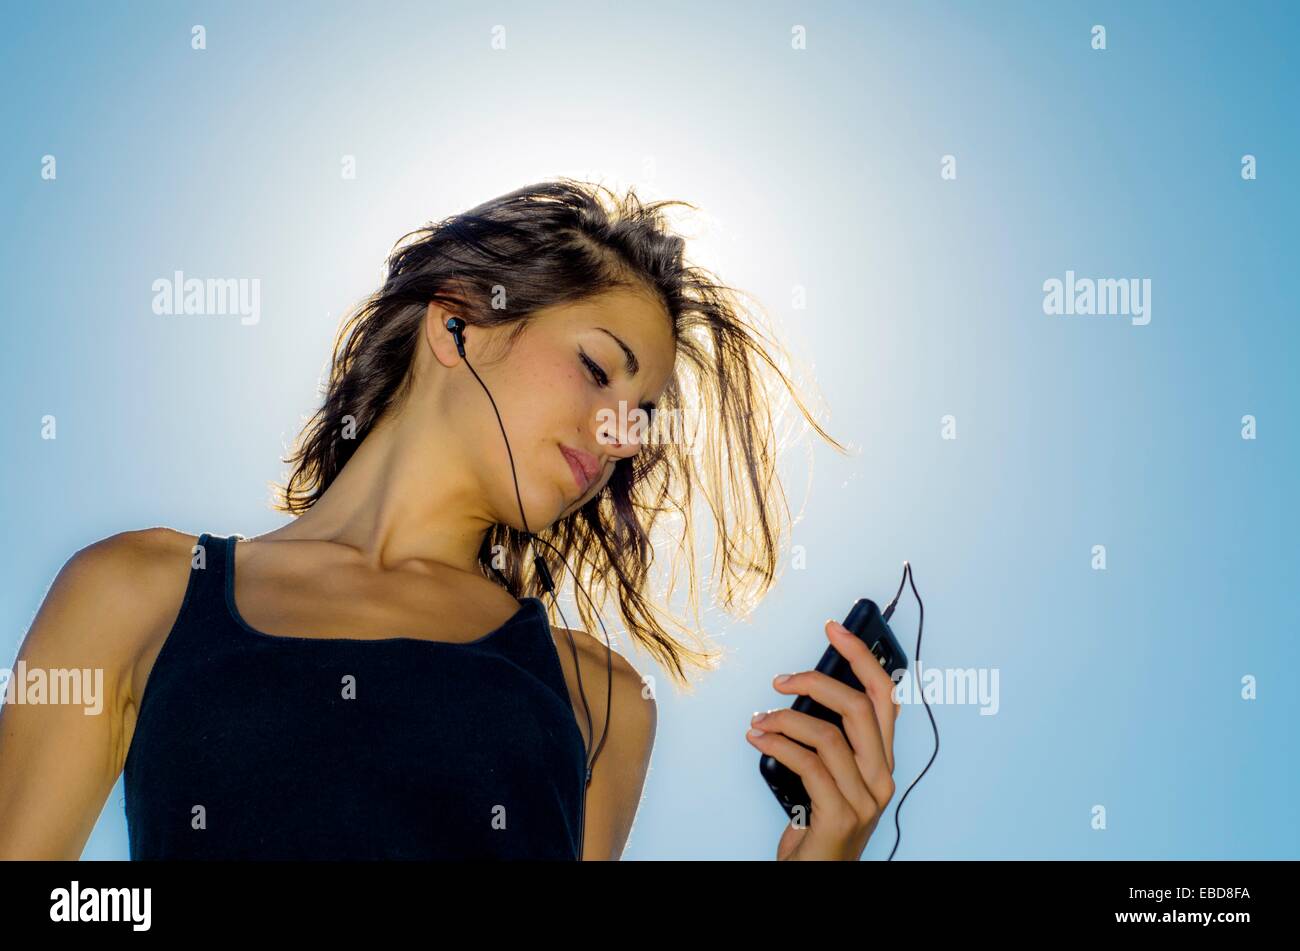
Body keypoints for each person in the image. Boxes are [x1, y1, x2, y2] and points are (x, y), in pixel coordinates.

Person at [0, 178, 900, 860]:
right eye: (599, 368)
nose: (624, 434)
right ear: (458, 321)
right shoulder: (136, 591)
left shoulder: (603, 700)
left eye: (645, 418)